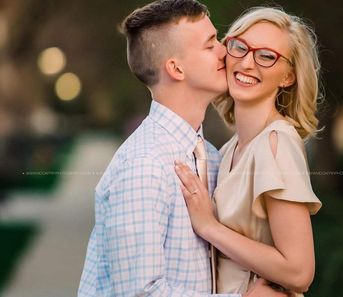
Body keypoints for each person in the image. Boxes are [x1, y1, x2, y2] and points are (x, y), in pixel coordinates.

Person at [78, 1, 289, 297]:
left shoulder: (213, 158)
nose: (224, 51)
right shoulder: (144, 165)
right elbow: (141, 293)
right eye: (209, 45)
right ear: (176, 68)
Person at [175, 6, 323, 296]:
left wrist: (209, 227)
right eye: (240, 47)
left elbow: (300, 271)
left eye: (267, 56)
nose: (246, 63)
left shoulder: (277, 143)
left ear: (288, 77)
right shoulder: (232, 148)